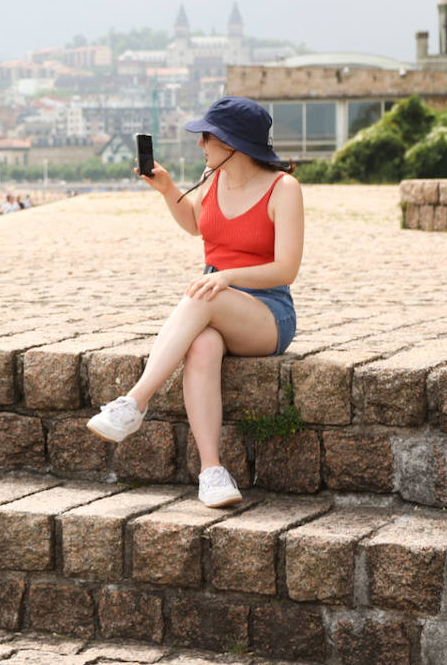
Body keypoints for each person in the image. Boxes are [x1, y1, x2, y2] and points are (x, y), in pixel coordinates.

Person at [86, 97, 304, 508]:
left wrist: (227, 277)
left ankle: (135, 401)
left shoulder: (284, 189)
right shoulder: (211, 177)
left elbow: (286, 269)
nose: (200, 144)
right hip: (216, 301)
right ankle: (212, 472)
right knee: (201, 346)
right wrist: (168, 189)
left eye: (206, 136)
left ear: (232, 143)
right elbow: (195, 224)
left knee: (203, 293)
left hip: (267, 314)